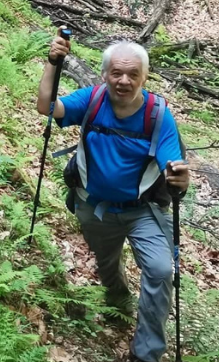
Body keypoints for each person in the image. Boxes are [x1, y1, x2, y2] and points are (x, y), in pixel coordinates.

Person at [38, 37, 192, 362]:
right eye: (117, 73)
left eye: (133, 74)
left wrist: (178, 176)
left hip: (143, 210)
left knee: (162, 270)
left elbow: (171, 162)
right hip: (94, 207)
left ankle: (146, 352)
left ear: (144, 77)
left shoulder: (158, 114)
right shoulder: (92, 100)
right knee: (107, 264)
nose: (124, 81)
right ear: (105, 74)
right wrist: (53, 63)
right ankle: (118, 301)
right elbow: (47, 106)